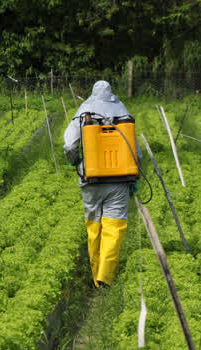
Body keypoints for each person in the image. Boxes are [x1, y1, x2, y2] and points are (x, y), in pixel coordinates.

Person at [63, 80, 141, 289]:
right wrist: (136, 176)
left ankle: (95, 271)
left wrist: (75, 161)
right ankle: (105, 278)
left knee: (94, 224)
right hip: (120, 180)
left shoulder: (84, 111)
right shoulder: (123, 112)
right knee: (114, 227)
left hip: (91, 179)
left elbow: (70, 143)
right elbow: (135, 149)